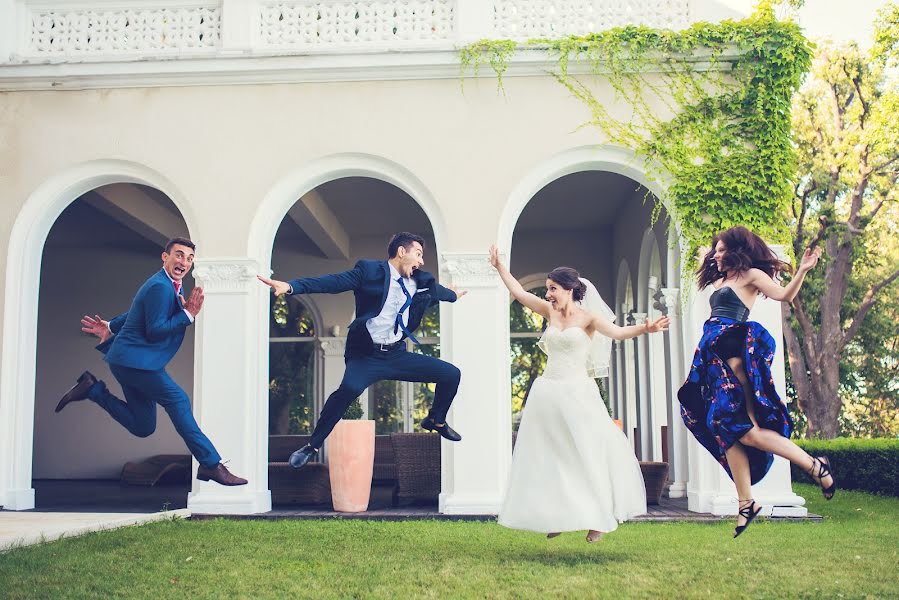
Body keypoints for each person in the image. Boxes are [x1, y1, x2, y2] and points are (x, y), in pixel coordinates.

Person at [489, 245, 669, 542]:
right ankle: (557, 513)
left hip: (577, 393)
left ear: (570, 289)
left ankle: (599, 518)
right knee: (550, 455)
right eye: (547, 289)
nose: (548, 294)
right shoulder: (548, 312)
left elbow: (619, 333)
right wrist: (500, 268)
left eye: (553, 288)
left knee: (586, 455)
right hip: (548, 392)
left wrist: (644, 328)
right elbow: (520, 294)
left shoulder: (589, 319)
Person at [257, 232, 467, 470]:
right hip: (366, 355)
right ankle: (311, 446)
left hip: (396, 354)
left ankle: (436, 420)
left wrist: (454, 296)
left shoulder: (421, 281)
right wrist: (291, 287)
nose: (421, 261)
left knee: (451, 374)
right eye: (417, 254)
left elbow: (438, 293)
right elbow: (332, 282)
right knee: (349, 389)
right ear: (401, 252)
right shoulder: (369, 272)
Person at [678, 226, 834, 538]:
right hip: (713, 359)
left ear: (736, 251)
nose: (716, 255)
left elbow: (784, 295)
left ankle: (815, 466)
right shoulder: (721, 278)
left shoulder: (750, 275)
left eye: (722, 250)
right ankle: (746, 502)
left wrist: (802, 269)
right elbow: (706, 261)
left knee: (746, 431)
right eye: (715, 251)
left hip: (734, 359)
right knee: (728, 429)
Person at [56, 237, 248, 486]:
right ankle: (211, 464)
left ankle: (92, 389)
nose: (184, 262)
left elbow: (138, 310)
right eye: (179, 255)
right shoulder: (161, 287)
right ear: (165, 257)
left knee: (143, 426)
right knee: (178, 400)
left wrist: (111, 325)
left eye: (189, 258)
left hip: (129, 362)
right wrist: (188, 314)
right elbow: (156, 329)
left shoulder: (166, 285)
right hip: (138, 363)